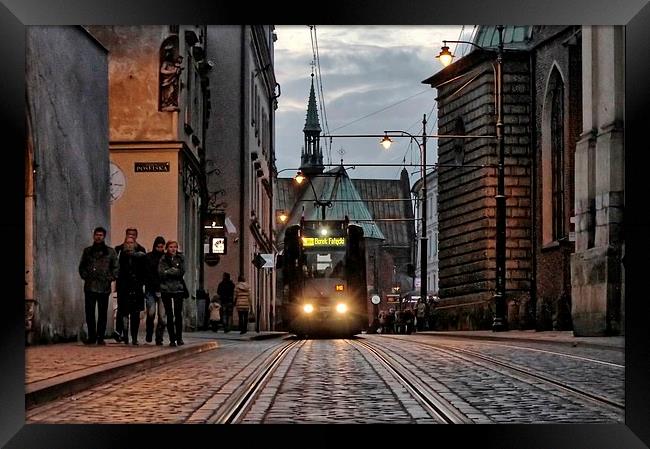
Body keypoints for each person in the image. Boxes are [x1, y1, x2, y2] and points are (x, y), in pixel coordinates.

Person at [78, 227, 119, 345]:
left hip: (104, 287)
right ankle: (92, 336)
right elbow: (82, 267)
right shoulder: (87, 251)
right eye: (97, 235)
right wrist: (86, 276)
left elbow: (116, 268)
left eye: (100, 235)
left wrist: (109, 278)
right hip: (90, 286)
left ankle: (100, 336)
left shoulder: (110, 252)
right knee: (90, 313)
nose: (98, 237)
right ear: (93, 236)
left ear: (104, 236)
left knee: (102, 313)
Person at [112, 228, 146, 342]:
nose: (130, 243)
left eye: (132, 238)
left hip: (136, 286)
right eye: (128, 240)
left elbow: (144, 269)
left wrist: (141, 282)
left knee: (135, 313)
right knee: (123, 311)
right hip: (123, 285)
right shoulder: (119, 250)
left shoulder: (141, 251)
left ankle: (134, 337)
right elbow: (115, 267)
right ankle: (123, 334)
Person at [158, 240, 186, 346]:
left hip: (178, 288)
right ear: (167, 248)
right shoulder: (163, 259)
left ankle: (179, 338)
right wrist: (171, 271)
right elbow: (161, 273)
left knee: (178, 314)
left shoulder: (180, 258)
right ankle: (172, 339)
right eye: (170, 247)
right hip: (166, 289)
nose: (173, 249)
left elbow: (182, 271)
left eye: (175, 247)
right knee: (169, 314)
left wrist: (169, 271)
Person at [144, 236, 166, 345]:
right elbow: (147, 273)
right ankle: (149, 332)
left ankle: (159, 337)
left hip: (163, 290)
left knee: (162, 317)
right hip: (151, 289)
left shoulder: (165, 258)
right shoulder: (149, 257)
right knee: (151, 313)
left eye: (162, 247)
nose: (160, 249)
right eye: (158, 247)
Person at [160, 45, 183, 111]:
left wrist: (177, 72)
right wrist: (172, 72)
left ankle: (171, 104)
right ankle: (166, 103)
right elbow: (162, 71)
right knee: (170, 91)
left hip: (173, 81)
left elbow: (176, 73)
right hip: (167, 81)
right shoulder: (166, 63)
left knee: (173, 92)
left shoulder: (172, 64)